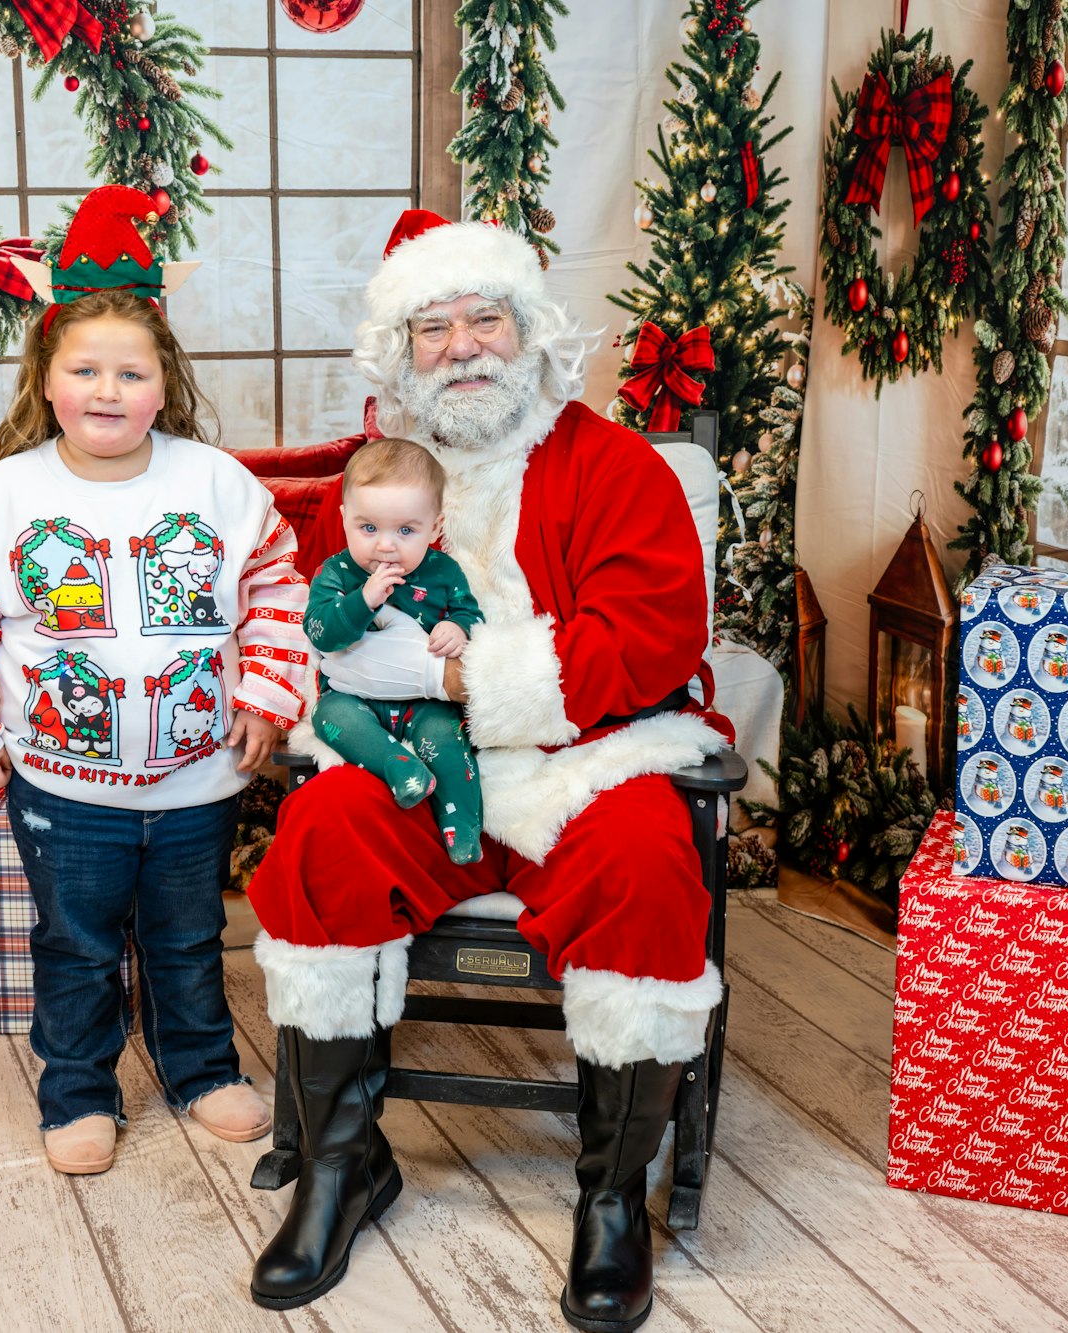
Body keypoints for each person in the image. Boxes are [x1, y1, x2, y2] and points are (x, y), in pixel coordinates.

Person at [247, 210, 729, 1332]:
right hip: (419, 760)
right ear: (396, 351)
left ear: (530, 332)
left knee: (652, 864)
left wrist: (468, 680)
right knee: (320, 839)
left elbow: (650, 637)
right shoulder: (368, 485)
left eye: (484, 317)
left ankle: (610, 1198)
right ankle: (341, 1165)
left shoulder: (616, 466)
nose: (462, 345)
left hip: (584, 761)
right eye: (432, 326)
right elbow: (317, 633)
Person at [0, 185, 312, 1176]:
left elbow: (276, 588)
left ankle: (200, 1070)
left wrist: (267, 696)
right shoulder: (3, 497)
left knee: (186, 938)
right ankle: (78, 1092)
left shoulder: (215, 483)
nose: (106, 389)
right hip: (61, 782)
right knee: (78, 945)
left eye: (128, 372)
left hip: (196, 779)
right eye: (83, 368)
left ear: (161, 380)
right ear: (46, 377)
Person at [305, 438, 485, 863]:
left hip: (424, 701)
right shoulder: (336, 572)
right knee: (328, 717)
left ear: (435, 527)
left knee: (448, 737)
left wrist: (457, 629)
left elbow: (472, 615)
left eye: (406, 530)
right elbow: (320, 632)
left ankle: (463, 827)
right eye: (368, 529)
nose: (386, 546)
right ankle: (397, 766)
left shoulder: (444, 571)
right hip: (353, 699)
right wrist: (362, 601)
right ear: (345, 519)